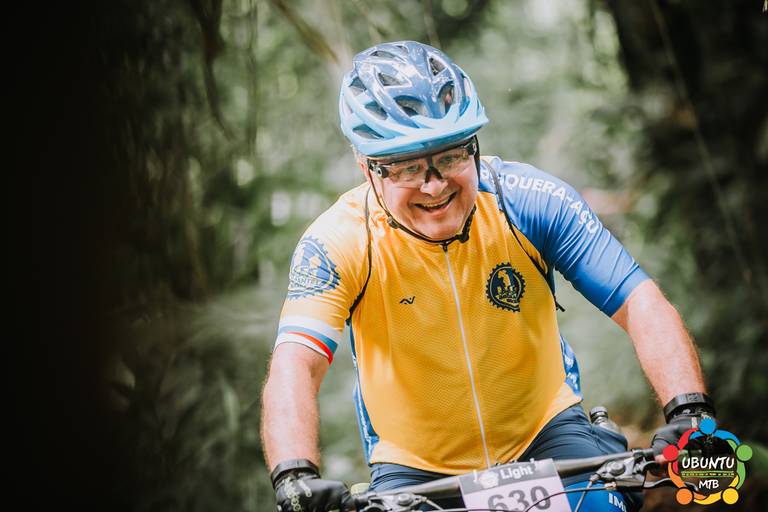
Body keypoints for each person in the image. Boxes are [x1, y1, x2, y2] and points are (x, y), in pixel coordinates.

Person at [261, 41, 715, 512]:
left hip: (545, 433)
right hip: (416, 467)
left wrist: (690, 414)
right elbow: (296, 363)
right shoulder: (339, 242)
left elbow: (638, 299)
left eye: (452, 157)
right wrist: (294, 474)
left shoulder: (527, 201)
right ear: (367, 167)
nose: (434, 185)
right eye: (408, 168)